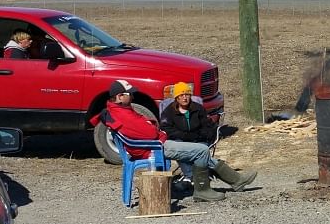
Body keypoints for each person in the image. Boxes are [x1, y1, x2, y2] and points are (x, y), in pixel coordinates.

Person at [91, 79, 256, 202]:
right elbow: (150, 131)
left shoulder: (120, 110)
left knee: (199, 151)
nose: (133, 96)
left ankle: (234, 181)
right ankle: (203, 190)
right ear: (120, 96)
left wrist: (154, 128)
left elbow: (152, 126)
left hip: (154, 144)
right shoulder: (123, 114)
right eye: (130, 94)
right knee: (202, 151)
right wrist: (157, 132)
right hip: (153, 148)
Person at [159, 82, 220, 183]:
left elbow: (208, 126)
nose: (184, 98)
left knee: (200, 149)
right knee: (179, 147)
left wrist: (200, 135)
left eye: (187, 95)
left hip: (199, 139)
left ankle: (196, 175)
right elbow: (167, 129)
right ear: (176, 98)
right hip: (181, 140)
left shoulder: (198, 108)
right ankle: (190, 174)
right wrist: (185, 136)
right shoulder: (169, 111)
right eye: (181, 95)